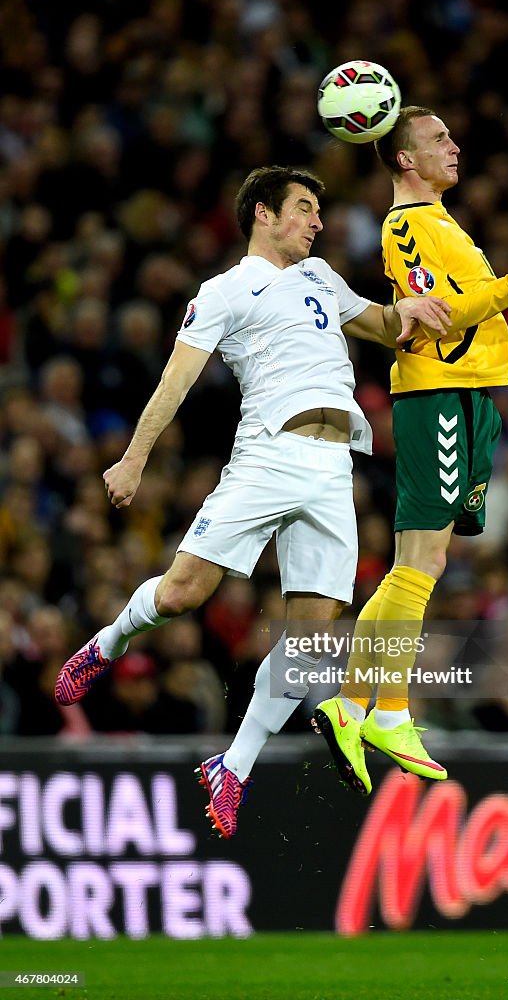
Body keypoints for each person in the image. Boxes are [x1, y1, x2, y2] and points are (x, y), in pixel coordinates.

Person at [54, 165, 453, 838]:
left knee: (312, 637)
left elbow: (383, 326)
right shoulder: (226, 290)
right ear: (264, 213)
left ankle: (232, 766)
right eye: (304, 209)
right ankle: (109, 642)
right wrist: (134, 457)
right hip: (270, 454)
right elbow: (176, 377)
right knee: (183, 593)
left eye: (319, 212)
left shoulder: (321, 276)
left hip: (334, 470)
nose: (318, 222)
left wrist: (407, 312)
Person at [313, 107, 508, 793]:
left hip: (470, 402)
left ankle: (352, 703)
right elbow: (435, 325)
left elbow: (492, 333)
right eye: (439, 138)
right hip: (434, 399)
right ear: (406, 159)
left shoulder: (446, 227)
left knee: (425, 560)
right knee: (422, 559)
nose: (455, 145)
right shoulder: (406, 227)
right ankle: (387, 710)